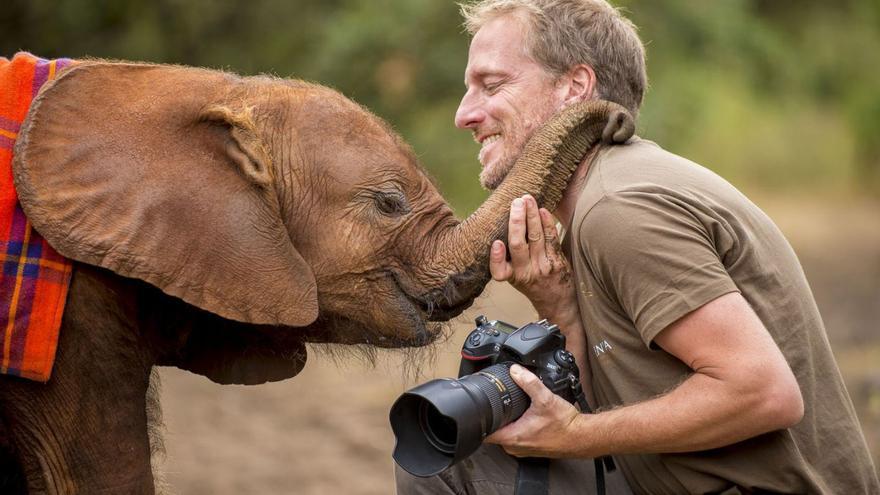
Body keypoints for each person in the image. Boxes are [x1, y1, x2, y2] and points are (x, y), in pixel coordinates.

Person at [396, 0, 880, 493]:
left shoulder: (619, 210)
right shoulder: (598, 198)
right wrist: (557, 304)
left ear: (574, 87)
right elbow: (596, 396)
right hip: (665, 478)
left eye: (492, 85)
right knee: (444, 438)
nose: (464, 114)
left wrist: (574, 436)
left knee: (450, 466)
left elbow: (764, 392)